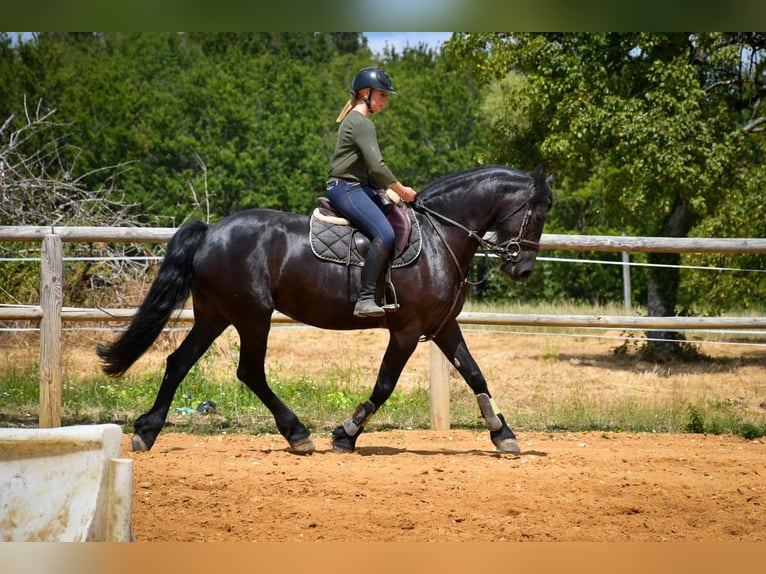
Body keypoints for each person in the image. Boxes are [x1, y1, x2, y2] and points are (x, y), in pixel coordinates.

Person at [326, 66, 418, 317]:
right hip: (347, 188)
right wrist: (402, 190)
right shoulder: (362, 124)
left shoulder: (355, 121)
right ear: (366, 93)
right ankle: (365, 298)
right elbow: (378, 166)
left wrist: (385, 192)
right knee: (385, 234)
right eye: (383, 94)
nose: (386, 101)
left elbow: (368, 169)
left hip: (358, 186)